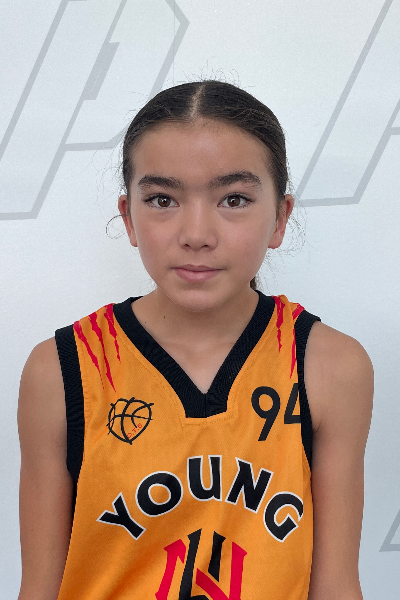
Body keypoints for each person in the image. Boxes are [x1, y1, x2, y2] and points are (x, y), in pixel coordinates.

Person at [17, 80, 373, 600]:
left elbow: (337, 586)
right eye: (163, 199)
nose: (197, 234)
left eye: (234, 199)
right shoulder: (62, 368)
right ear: (128, 217)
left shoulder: (330, 366)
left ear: (280, 218)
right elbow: (39, 589)